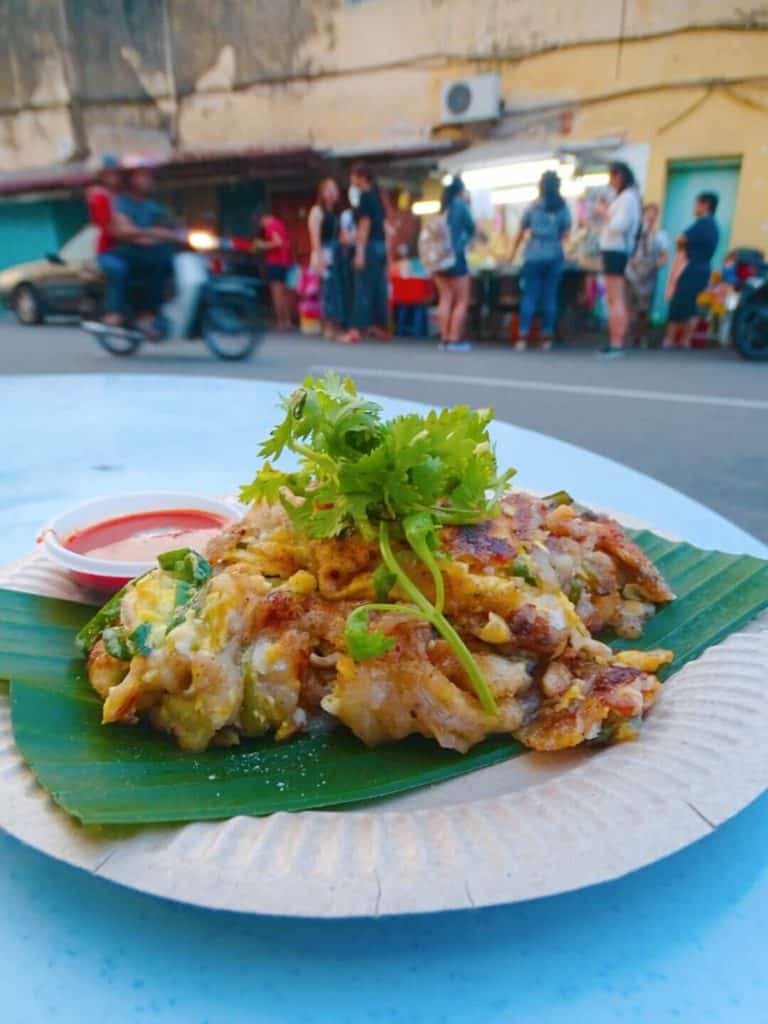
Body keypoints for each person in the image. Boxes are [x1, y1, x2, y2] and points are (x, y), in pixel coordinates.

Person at [110, 165, 177, 335]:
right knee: (157, 262)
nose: (148, 181)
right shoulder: (121, 203)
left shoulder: (152, 206)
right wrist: (150, 233)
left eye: (148, 176)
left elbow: (168, 224)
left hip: (151, 249)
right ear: (131, 180)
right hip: (127, 251)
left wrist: (179, 232)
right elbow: (123, 230)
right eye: (142, 176)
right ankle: (147, 315)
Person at [511, 170, 571, 351]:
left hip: (533, 254)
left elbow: (521, 231)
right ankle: (546, 338)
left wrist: (512, 254)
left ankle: (522, 337)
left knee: (530, 295)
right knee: (550, 296)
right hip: (554, 254)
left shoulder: (533, 207)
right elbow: (566, 233)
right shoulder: (563, 208)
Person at [662, 192, 720, 350]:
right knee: (691, 306)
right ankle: (685, 340)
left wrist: (681, 250)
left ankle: (670, 339)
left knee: (679, 303)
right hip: (703, 268)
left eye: (696, 204)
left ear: (705, 204)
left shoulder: (703, 223)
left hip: (691, 268)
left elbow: (681, 238)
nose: (694, 208)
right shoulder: (714, 225)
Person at [595, 161, 642, 355]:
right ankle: (616, 341)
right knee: (615, 298)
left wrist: (604, 212)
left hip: (615, 250)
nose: (610, 182)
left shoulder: (627, 198)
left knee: (615, 298)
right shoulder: (629, 198)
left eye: (612, 177)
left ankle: (616, 342)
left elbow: (618, 225)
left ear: (619, 176)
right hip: (617, 251)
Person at [339, 163, 389, 344]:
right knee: (378, 287)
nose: (351, 181)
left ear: (361, 177)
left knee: (362, 288)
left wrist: (359, 252)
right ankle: (379, 325)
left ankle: (355, 329)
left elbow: (364, 225)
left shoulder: (365, 197)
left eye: (353, 176)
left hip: (369, 246)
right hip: (380, 245)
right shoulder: (377, 196)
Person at [432, 176, 476, 353]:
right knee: (461, 300)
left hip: (439, 259)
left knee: (445, 298)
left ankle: (444, 338)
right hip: (456, 258)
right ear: (461, 191)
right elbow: (472, 228)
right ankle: (454, 338)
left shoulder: (444, 208)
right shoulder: (461, 206)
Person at [86, 155, 125, 326]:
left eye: (116, 173)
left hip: (130, 245)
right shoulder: (99, 196)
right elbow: (106, 225)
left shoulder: (124, 195)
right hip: (108, 250)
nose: (114, 178)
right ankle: (114, 312)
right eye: (110, 174)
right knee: (119, 270)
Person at [625, 202, 669, 347]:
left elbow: (664, 256)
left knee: (644, 307)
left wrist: (655, 265)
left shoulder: (661, 235)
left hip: (648, 273)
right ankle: (627, 335)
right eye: (647, 213)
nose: (650, 216)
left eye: (653, 213)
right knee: (629, 304)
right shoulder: (636, 232)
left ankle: (640, 335)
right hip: (632, 271)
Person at [308, 178, 346, 336]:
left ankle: (336, 324)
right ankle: (327, 326)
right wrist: (319, 256)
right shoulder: (317, 211)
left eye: (334, 189)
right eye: (328, 189)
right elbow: (315, 236)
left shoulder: (338, 213)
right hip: (324, 251)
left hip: (337, 253)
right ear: (322, 193)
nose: (332, 193)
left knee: (337, 289)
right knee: (328, 289)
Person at [254, 211, 293, 331]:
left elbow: (277, 242)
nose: (261, 226)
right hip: (285, 262)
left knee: (277, 295)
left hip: (275, 263)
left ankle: (280, 322)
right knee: (284, 295)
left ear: (263, 219)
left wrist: (262, 245)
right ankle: (287, 321)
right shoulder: (280, 224)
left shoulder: (270, 226)